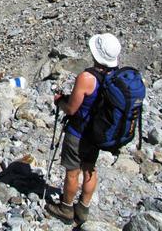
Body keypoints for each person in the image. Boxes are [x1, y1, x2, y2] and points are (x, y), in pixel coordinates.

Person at [45, 33, 122, 224]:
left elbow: (72, 109)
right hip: (98, 133)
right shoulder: (116, 76)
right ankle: (83, 209)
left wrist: (60, 101)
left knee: (73, 172)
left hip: (79, 132)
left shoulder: (87, 77)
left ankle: (66, 208)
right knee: (90, 169)